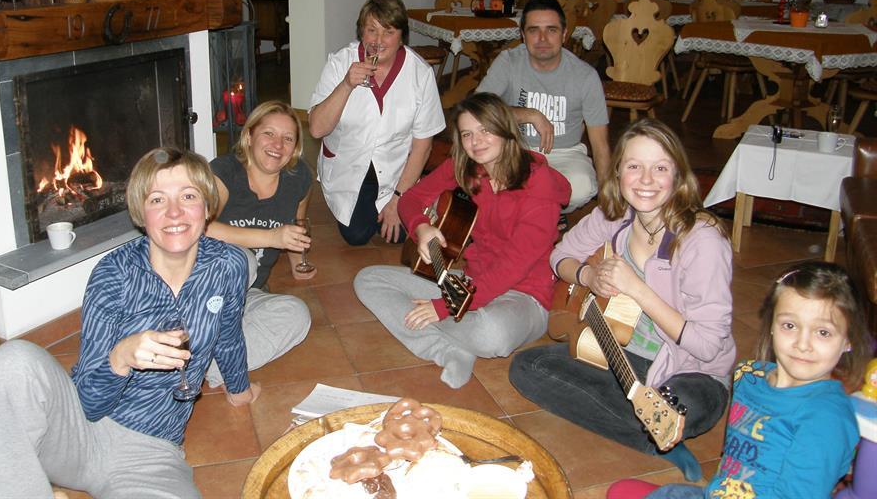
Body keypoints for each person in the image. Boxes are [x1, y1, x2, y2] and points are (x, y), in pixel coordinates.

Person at [0, 147, 257, 499]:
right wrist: (120, 358)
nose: (174, 211)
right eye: (157, 199)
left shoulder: (228, 265)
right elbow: (87, 405)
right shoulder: (114, 273)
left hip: (150, 454)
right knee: (10, 362)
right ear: (141, 213)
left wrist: (240, 389)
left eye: (188, 196)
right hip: (75, 435)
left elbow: (229, 336)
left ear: (207, 208)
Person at [509, 119, 736, 481]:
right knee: (527, 367)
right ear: (618, 173)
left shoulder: (702, 240)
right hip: (621, 352)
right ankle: (650, 436)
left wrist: (637, 288)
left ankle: (653, 422)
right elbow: (560, 256)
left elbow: (707, 346)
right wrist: (588, 276)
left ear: (678, 176)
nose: (646, 180)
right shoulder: (614, 216)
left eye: (660, 168)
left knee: (681, 405)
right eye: (634, 166)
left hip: (688, 370)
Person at [354, 93, 571, 388]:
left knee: (492, 336)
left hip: (524, 296)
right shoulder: (467, 166)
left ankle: (452, 331)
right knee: (369, 280)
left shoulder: (539, 183)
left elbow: (512, 267)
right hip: (471, 283)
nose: (476, 142)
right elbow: (411, 200)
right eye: (467, 134)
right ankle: (448, 350)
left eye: (485, 130)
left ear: (506, 130)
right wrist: (421, 228)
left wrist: (443, 307)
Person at [607, 261, 871, 499]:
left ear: (848, 340)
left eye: (823, 332)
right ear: (772, 324)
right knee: (634, 491)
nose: (803, 344)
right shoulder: (750, 376)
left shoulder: (826, 419)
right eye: (789, 326)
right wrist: (671, 426)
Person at [309, 0, 445, 246]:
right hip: (349, 165)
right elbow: (317, 129)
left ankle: (416, 195)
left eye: (388, 32)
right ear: (361, 32)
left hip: (395, 170)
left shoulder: (420, 74)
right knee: (357, 235)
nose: (378, 41)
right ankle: (413, 202)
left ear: (402, 36)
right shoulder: (340, 62)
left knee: (400, 234)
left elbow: (422, 146)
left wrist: (397, 200)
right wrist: (346, 85)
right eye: (371, 30)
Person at [203, 101, 313, 389]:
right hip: (205, 291)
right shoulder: (224, 171)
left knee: (297, 314)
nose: (278, 145)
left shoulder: (299, 177)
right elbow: (201, 228)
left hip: (248, 294)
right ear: (249, 136)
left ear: (295, 148)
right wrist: (272, 238)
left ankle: (212, 367)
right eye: (269, 134)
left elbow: (297, 223)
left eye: (288, 138)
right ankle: (205, 341)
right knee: (244, 261)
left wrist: (298, 261)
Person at [477, 0, 610, 213]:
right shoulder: (508, 62)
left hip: (565, 154)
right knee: (480, 180)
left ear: (564, 35)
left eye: (551, 30)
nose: (542, 38)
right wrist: (528, 114)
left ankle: (529, 211)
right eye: (533, 30)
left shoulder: (585, 76)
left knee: (582, 186)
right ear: (523, 35)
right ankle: (541, 213)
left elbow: (600, 145)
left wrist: (608, 204)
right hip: (514, 151)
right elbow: (476, 109)